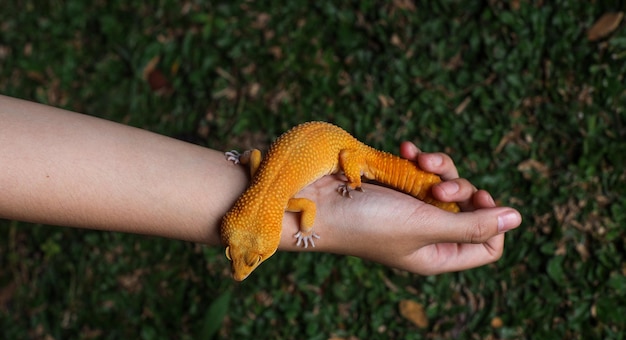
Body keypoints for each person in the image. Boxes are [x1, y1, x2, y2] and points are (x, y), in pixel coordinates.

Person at [0, 95, 521, 276]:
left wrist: (340, 196)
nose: (240, 266)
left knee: (372, 165)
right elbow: (252, 160)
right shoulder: (267, 188)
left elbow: (292, 198)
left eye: (240, 255)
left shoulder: (290, 202)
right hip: (329, 151)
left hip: (345, 152)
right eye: (246, 257)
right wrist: (323, 224)